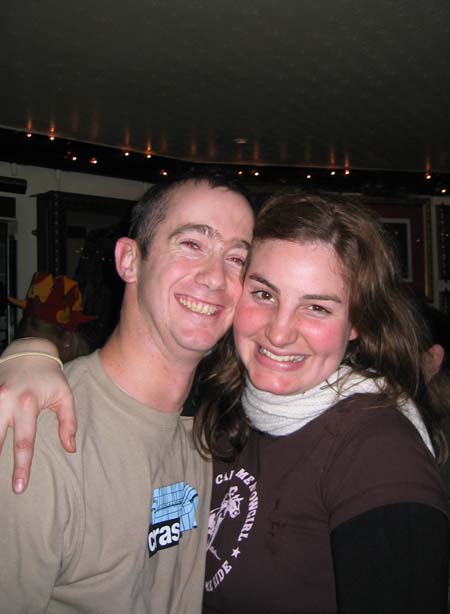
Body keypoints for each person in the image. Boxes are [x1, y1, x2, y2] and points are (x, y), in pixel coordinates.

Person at [0, 192, 449, 613]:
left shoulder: (377, 451)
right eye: (264, 293)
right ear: (129, 259)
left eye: (317, 307)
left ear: (356, 324)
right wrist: (29, 352)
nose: (279, 332)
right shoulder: (214, 416)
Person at [0, 171, 255, 613]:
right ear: (130, 260)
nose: (216, 277)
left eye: (236, 258)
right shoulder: (37, 434)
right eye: (192, 244)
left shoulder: (207, 431)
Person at [9, 271, 94, 362]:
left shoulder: (81, 370)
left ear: (66, 340)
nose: (31, 356)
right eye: (25, 348)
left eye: (41, 350)